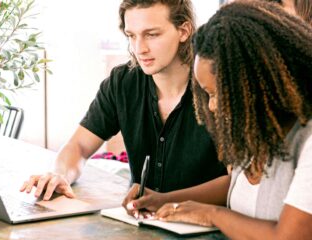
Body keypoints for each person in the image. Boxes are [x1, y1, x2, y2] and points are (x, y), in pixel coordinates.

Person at [125, 1, 312, 238]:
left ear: (257, 82)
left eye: (216, 94)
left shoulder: (308, 140)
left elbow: (288, 237)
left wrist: (212, 214)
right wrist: (164, 200)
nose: (211, 106)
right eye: (207, 94)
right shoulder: (257, 129)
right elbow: (234, 184)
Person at [20, 0, 226, 201]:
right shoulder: (122, 83)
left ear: (184, 30)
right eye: (131, 35)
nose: (140, 48)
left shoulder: (218, 87)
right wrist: (60, 174)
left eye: (151, 35)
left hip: (209, 227)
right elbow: (79, 145)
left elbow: (238, 183)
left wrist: (165, 201)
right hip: (142, 223)